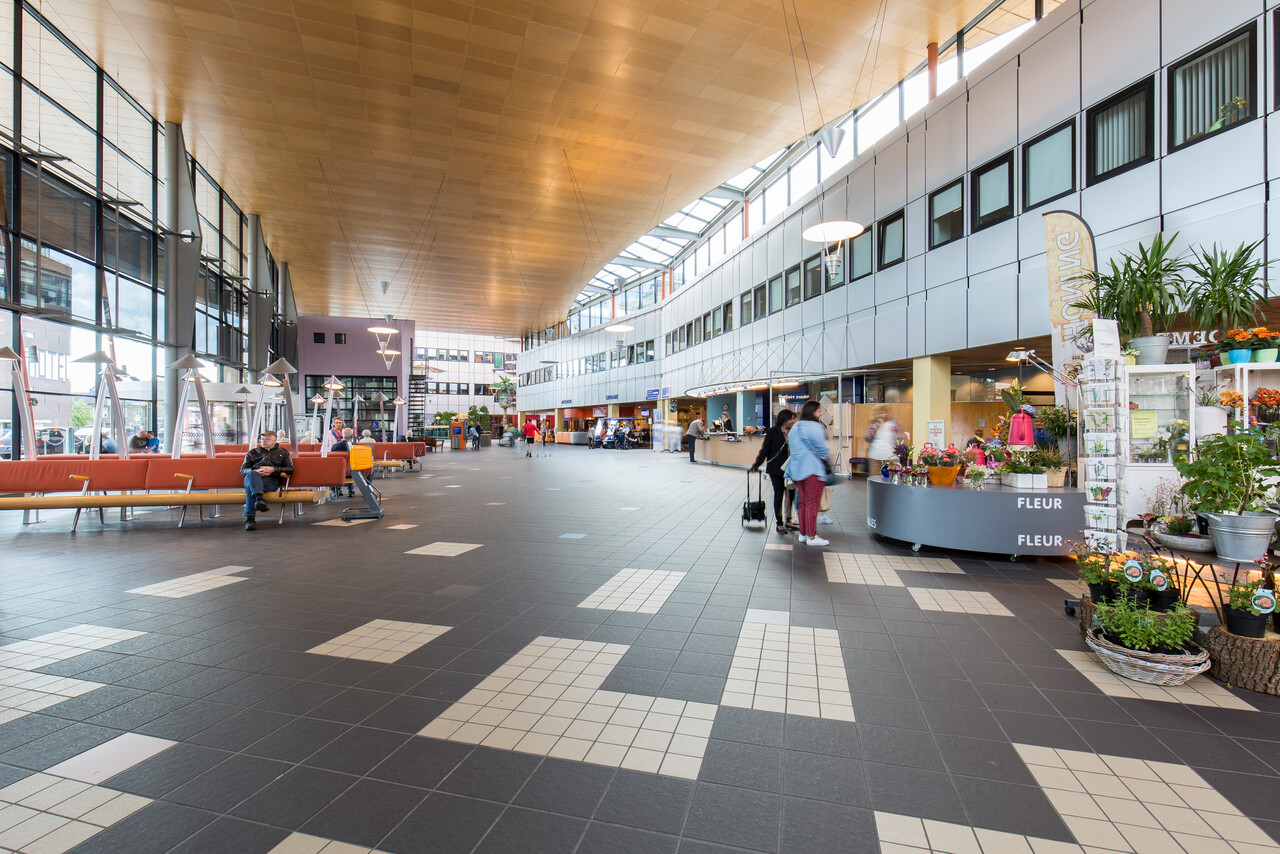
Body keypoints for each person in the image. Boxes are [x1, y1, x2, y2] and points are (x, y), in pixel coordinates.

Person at [785, 400, 830, 547]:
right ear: (812, 412)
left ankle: (803, 534)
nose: (820, 414)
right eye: (818, 411)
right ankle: (812, 536)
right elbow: (821, 448)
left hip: (797, 470)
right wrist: (826, 457)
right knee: (812, 503)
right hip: (812, 469)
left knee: (804, 502)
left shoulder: (795, 427)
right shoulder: (814, 426)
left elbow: (791, 446)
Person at [750, 409, 797, 535]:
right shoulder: (773, 432)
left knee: (791, 494)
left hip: (791, 468)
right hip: (776, 468)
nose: (793, 421)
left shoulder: (794, 432)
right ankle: (779, 523)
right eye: (790, 419)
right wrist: (757, 464)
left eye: (793, 419)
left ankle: (789, 519)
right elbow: (765, 450)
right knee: (779, 494)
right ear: (783, 419)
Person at [240, 430, 293, 531]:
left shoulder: (283, 452)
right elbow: (243, 470)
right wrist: (255, 471)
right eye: (262, 439)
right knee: (252, 475)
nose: (264, 441)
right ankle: (259, 499)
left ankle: (249, 518)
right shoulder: (253, 452)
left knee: (252, 488)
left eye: (267, 439)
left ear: (275, 440)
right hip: (252, 478)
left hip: (270, 480)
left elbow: (290, 469)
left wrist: (273, 470)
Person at [866, 405, 900, 476]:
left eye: (884, 412)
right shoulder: (873, 424)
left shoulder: (893, 424)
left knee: (893, 479)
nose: (883, 415)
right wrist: (874, 429)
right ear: (876, 414)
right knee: (874, 479)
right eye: (880, 413)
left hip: (891, 457)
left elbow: (898, 440)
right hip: (875, 457)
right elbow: (868, 438)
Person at [330, 428, 354, 498]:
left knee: (338, 469)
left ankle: (337, 489)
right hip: (353, 472)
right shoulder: (356, 446)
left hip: (338, 472)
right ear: (352, 436)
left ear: (342, 436)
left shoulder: (335, 446)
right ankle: (350, 490)